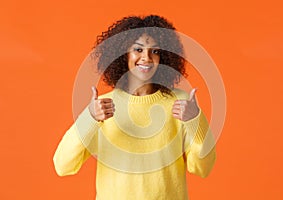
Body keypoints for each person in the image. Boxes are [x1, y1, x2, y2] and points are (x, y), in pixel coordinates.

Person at [53, 15, 216, 200]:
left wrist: (195, 120)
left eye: (155, 51)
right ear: (123, 55)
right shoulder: (102, 107)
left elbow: (203, 168)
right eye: (138, 49)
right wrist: (89, 117)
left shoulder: (180, 103)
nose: (146, 58)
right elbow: (63, 165)